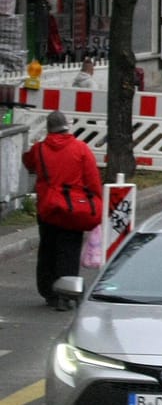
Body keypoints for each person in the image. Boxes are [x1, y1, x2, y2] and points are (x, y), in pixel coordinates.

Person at [22, 111, 102, 310]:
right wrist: (97, 202)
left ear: (49, 129)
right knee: (70, 250)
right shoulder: (81, 149)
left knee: (48, 249)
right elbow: (93, 180)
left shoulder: (40, 149)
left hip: (48, 208)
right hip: (74, 209)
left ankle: (48, 292)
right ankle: (67, 293)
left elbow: (28, 162)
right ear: (67, 126)